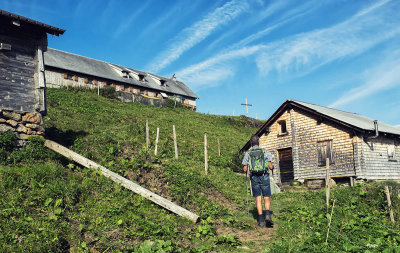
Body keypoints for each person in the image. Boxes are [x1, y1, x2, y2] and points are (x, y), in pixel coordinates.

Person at [242, 135, 274, 227]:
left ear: (251, 143)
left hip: (254, 177)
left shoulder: (248, 153)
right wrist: (272, 167)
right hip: (264, 175)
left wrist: (247, 168)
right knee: (266, 197)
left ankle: (260, 220)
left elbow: (245, 169)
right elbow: (270, 166)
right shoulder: (264, 151)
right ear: (258, 142)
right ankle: (267, 215)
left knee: (258, 198)